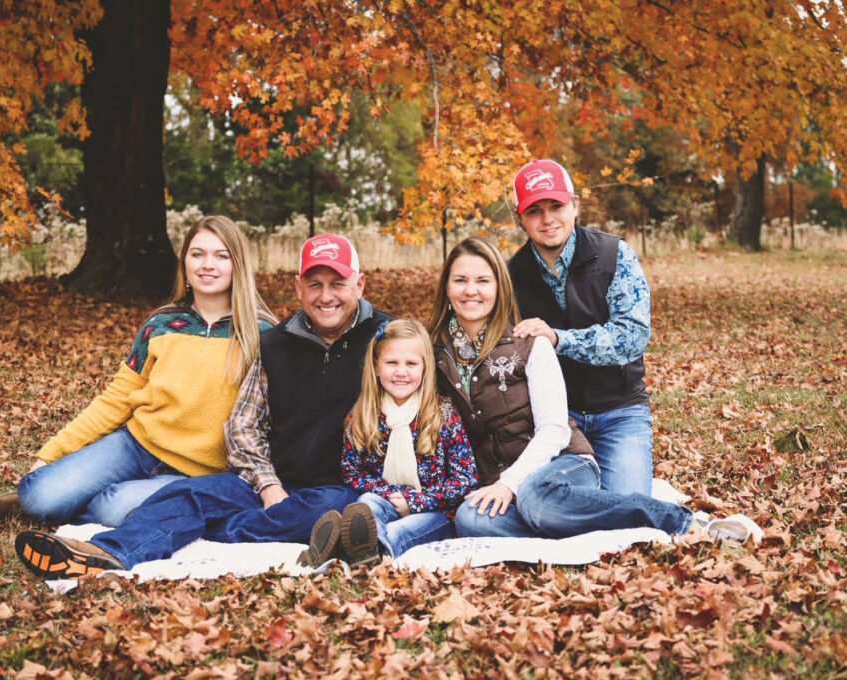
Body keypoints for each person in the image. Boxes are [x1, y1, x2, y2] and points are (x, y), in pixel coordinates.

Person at [14, 233, 394, 579]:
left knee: (333, 513)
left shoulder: (385, 339)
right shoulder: (277, 344)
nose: (325, 296)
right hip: (264, 481)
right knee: (188, 496)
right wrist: (268, 486)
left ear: (359, 284)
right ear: (298, 287)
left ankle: (211, 527)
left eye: (337, 284)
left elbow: (417, 408)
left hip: (336, 486)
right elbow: (244, 426)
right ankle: (104, 555)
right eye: (315, 285)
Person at [430, 237, 736, 542]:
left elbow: (554, 430)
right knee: (471, 519)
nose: (471, 290)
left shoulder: (529, 342)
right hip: (500, 479)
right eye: (460, 280)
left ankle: (676, 521)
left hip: (560, 465)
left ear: (500, 287)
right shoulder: (436, 353)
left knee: (536, 498)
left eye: (483, 280)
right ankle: (575, 530)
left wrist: (510, 484)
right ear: (447, 286)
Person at [8, 216, 275, 527]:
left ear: (237, 264)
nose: (207, 265)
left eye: (221, 255)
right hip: (135, 446)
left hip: (198, 470)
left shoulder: (262, 334)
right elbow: (117, 398)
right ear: (184, 262)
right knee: (39, 496)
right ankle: (57, 500)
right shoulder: (161, 323)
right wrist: (50, 455)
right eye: (197, 254)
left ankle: (87, 501)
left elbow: (273, 419)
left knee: (112, 507)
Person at [506, 159, 654, 496]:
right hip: (555, 420)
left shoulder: (615, 254)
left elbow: (631, 338)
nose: (547, 220)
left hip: (620, 412)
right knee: (543, 505)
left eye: (556, 206)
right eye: (534, 211)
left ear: (575, 205)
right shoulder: (511, 276)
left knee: (628, 512)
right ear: (520, 218)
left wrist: (558, 339)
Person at [300, 320, 477, 567]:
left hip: (435, 513)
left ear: (425, 367)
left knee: (401, 531)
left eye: (411, 363)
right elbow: (352, 472)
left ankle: (342, 550)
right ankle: (360, 550)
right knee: (366, 504)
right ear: (375, 367)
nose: (401, 372)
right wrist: (393, 495)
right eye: (392, 363)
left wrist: (417, 501)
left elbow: (465, 479)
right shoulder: (363, 414)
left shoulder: (442, 414)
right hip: (387, 500)